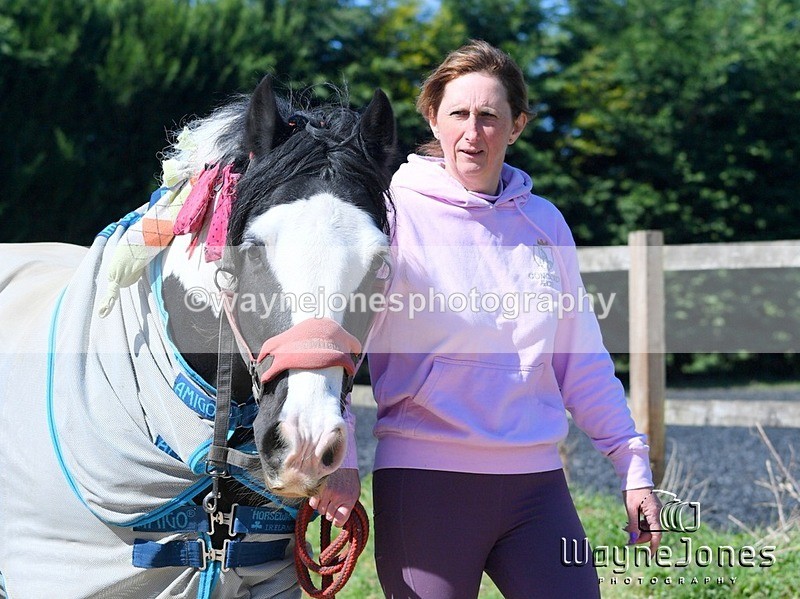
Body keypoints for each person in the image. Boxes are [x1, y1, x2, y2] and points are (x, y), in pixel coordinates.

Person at [359, 40, 663, 598]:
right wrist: (335, 466)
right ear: (433, 117)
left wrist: (632, 465)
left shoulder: (545, 222)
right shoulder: (390, 213)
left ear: (516, 126)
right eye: (458, 114)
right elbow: (335, 343)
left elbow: (581, 358)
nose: (473, 132)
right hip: (427, 482)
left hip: (535, 486)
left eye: (490, 116)